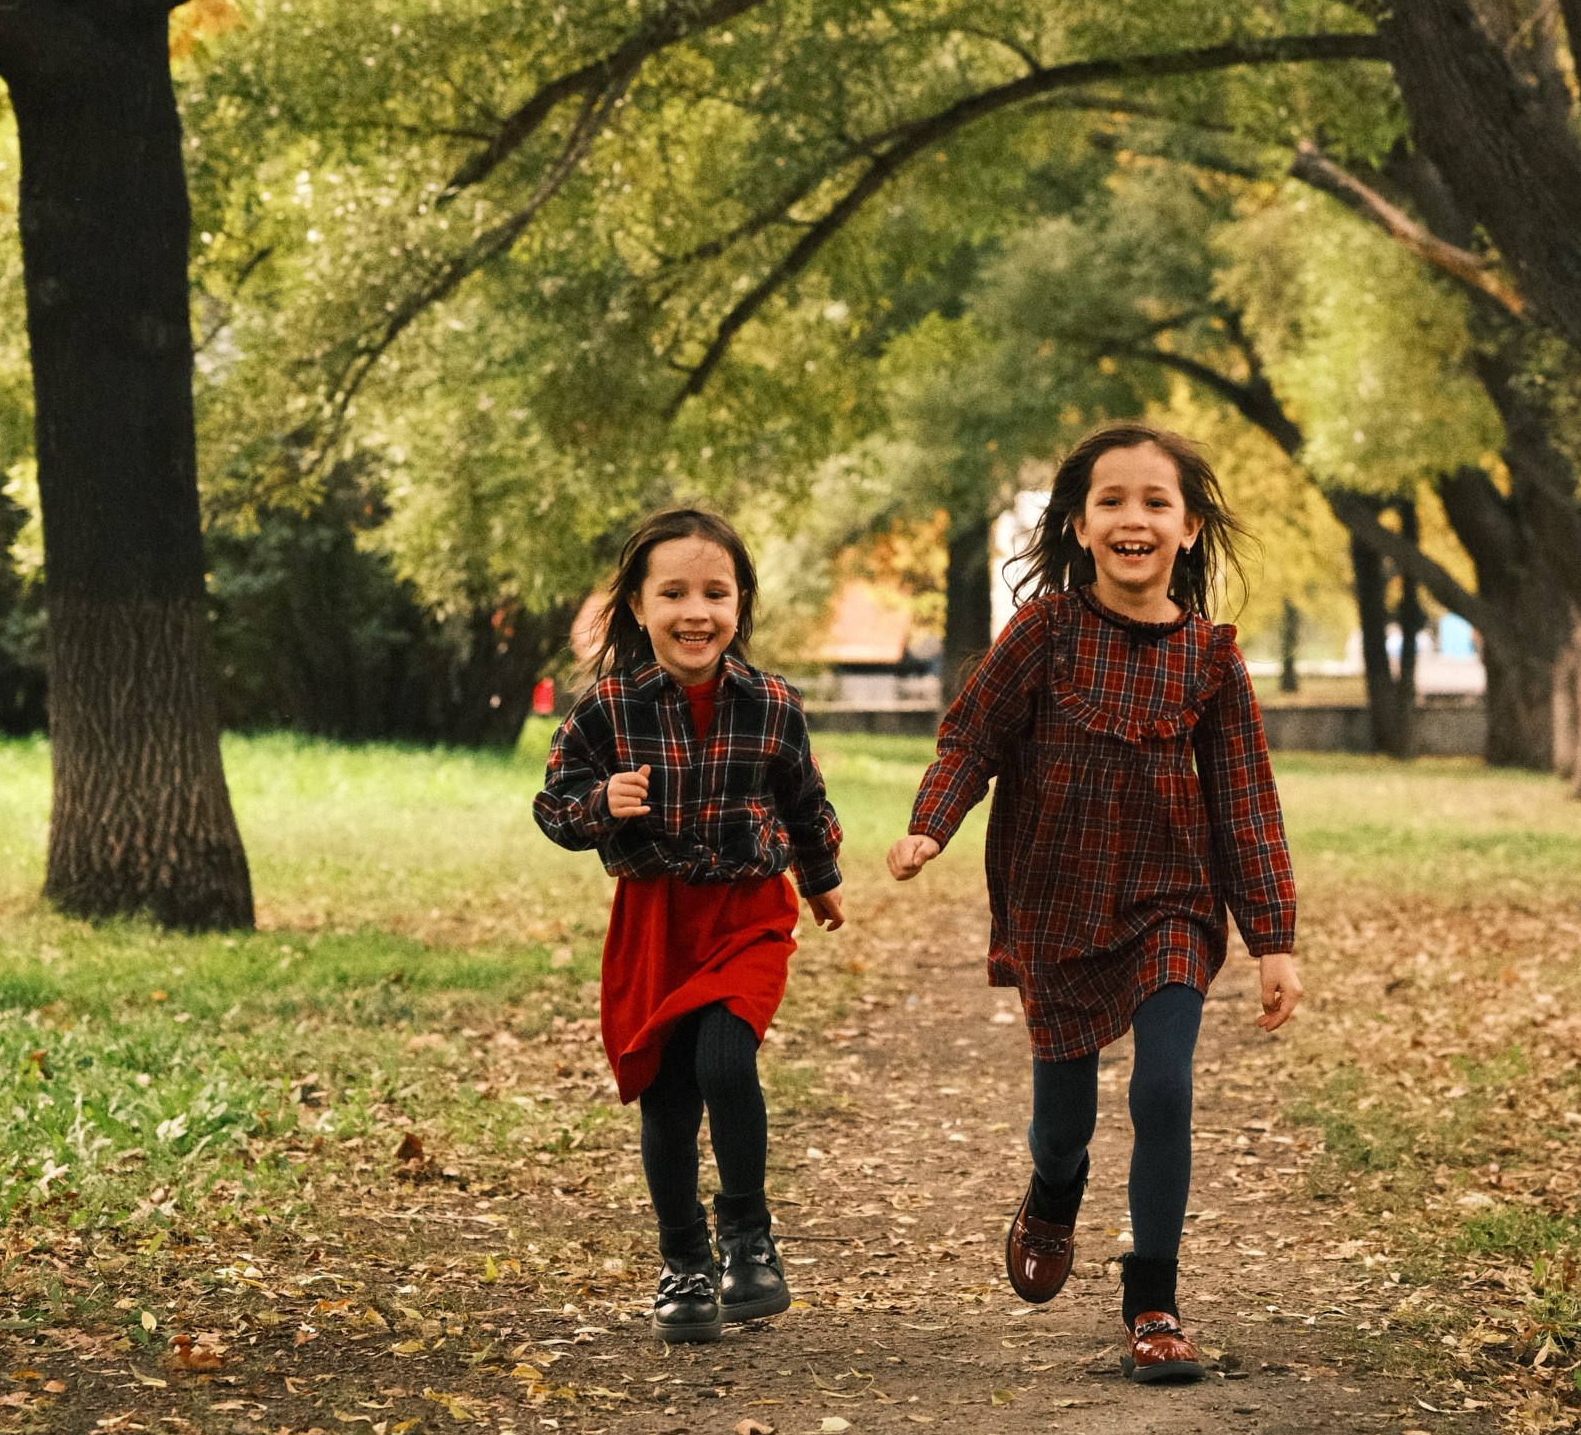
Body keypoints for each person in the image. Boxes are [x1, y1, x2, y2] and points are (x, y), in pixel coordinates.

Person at [887, 423, 1300, 1382]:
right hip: (1059, 903)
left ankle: (1152, 1300)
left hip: (1172, 904)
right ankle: (1053, 1187)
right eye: (1112, 501)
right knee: (1064, 1122)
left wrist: (1273, 939)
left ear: (1188, 530)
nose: (1134, 519)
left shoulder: (1210, 659)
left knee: (1164, 1091)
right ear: (1078, 526)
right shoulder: (1044, 635)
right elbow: (970, 740)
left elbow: (1246, 802)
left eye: (1156, 503)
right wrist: (930, 825)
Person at [535, 507, 845, 1344]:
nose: (695, 611)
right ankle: (684, 1260)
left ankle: (749, 1236)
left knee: (725, 1055)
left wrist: (821, 883)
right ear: (638, 608)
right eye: (672, 592)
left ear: (740, 604)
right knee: (667, 1100)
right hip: (656, 920)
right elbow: (553, 806)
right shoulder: (606, 708)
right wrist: (601, 804)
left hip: (748, 912)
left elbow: (804, 803)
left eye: (716, 591)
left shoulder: (774, 703)